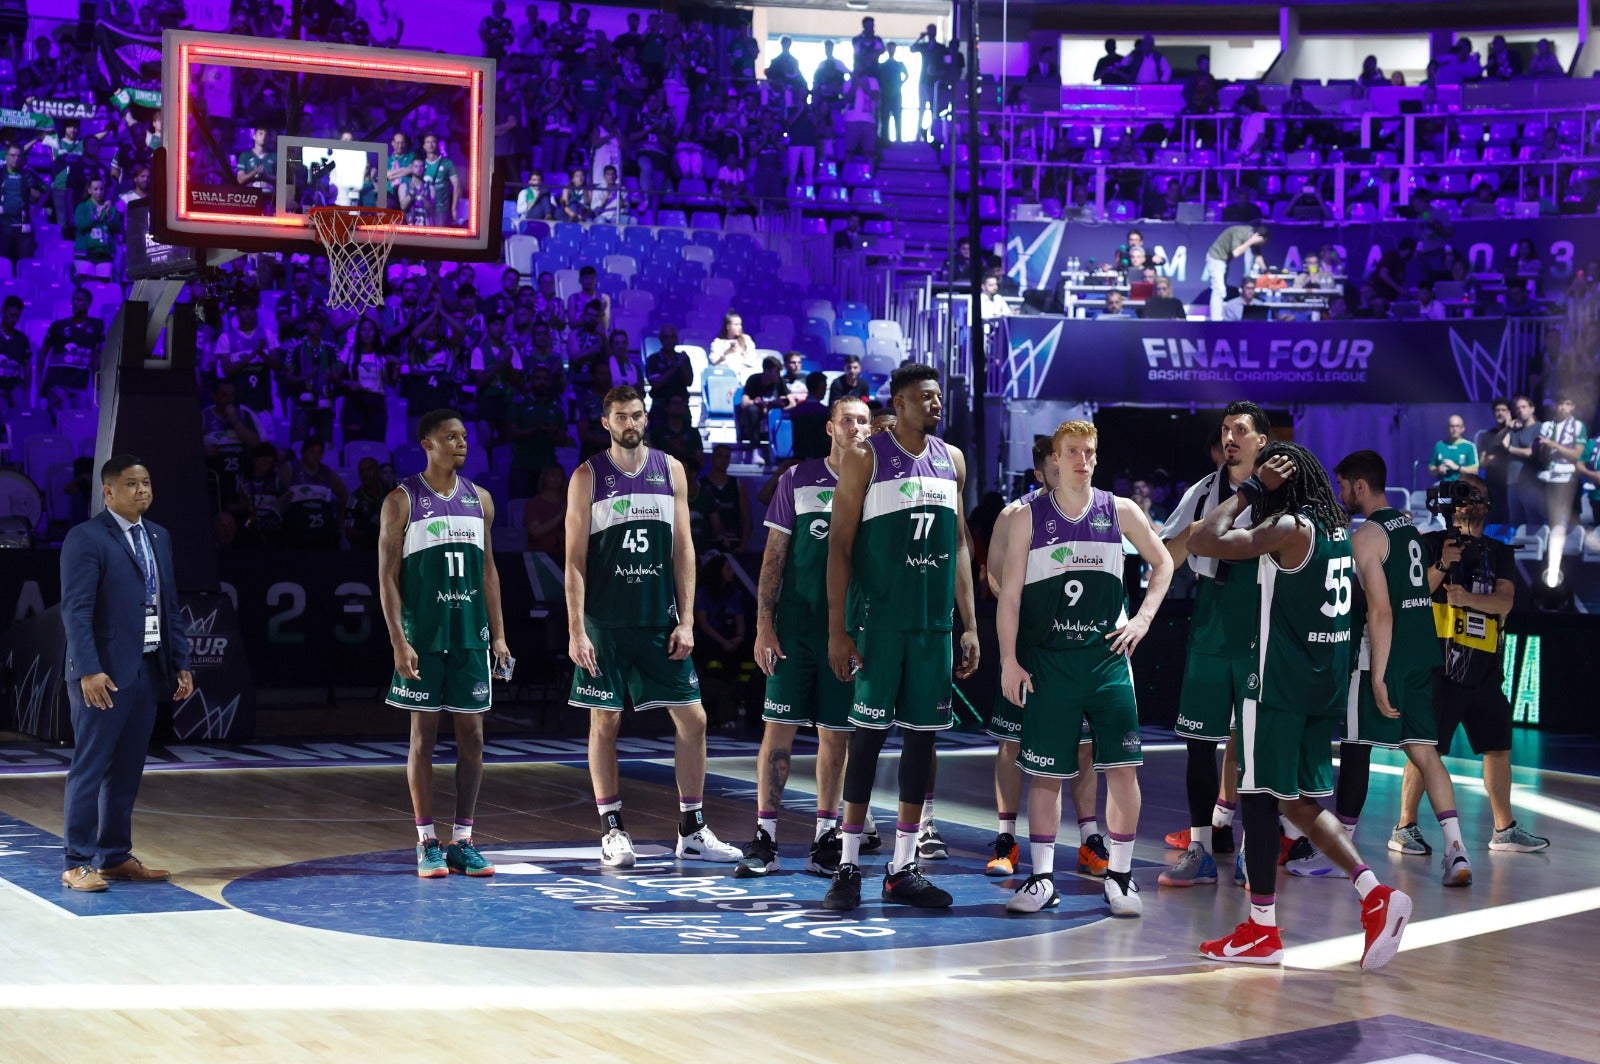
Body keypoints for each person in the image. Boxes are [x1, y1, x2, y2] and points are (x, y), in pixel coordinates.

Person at [1188, 442, 1412, 970]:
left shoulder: (1290, 528)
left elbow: (1203, 539)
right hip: (1321, 688)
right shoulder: (1338, 530)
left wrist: (1248, 489)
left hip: (1277, 687)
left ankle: (1261, 931)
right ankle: (1374, 894)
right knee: (1295, 803)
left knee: (1262, 800)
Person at [997, 421, 1173, 915]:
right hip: (1050, 662)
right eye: (1072, 451)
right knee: (1046, 775)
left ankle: (1120, 877)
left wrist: (1141, 619)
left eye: (1089, 451)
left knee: (1122, 769)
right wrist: (1009, 660)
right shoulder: (1028, 517)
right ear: (1054, 458)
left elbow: (1164, 564)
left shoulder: (1120, 510)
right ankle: (1043, 878)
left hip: (1107, 660)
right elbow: (1008, 596)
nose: (1081, 459)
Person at [822, 364, 980, 911]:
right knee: (865, 740)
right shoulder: (866, 457)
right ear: (901, 403)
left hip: (933, 627)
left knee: (922, 742)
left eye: (939, 397)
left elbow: (960, 545)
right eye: (925, 398)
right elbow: (839, 547)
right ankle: (845, 865)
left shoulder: (952, 460)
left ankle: (902, 866)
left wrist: (971, 624)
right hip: (879, 625)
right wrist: (838, 629)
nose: (936, 405)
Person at [564, 386, 742, 868]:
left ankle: (692, 827)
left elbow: (683, 548)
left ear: (647, 418)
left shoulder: (671, 470)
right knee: (606, 720)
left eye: (637, 415)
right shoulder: (587, 476)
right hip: (605, 623)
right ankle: (612, 828)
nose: (630, 423)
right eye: (621, 416)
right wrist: (576, 630)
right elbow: (574, 561)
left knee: (694, 718)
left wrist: (687, 619)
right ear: (606, 423)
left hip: (658, 620)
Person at [1291, 450, 1471, 886]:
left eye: (1342, 486)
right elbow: (1419, 592)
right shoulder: (1408, 528)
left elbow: (1382, 611)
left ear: (1358, 485)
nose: (1340, 494)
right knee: (1425, 752)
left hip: (1382, 657)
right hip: (1420, 655)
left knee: (1356, 749)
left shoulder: (1367, 536)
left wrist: (1376, 674)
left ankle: (1340, 853)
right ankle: (1457, 850)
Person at [735, 396, 873, 878]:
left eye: (864, 421)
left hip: (849, 633)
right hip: (795, 629)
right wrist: (763, 624)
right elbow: (774, 556)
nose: (856, 427)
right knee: (779, 734)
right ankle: (765, 838)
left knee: (836, 738)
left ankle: (824, 838)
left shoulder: (878, 486)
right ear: (831, 428)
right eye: (848, 420)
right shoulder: (798, 478)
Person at [378, 409, 512, 878]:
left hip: (470, 634)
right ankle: (426, 840)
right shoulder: (402, 500)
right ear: (426, 444)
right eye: (450, 437)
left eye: (464, 436)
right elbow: (387, 577)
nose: (461, 443)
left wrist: (498, 634)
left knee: (473, 736)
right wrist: (399, 639)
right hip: (424, 636)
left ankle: (463, 839)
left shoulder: (482, 500)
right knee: (423, 738)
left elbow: (489, 571)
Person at [1391, 473, 1551, 855]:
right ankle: (1404, 827)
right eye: (1460, 494)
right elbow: (1414, 594)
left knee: (1497, 747)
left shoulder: (1500, 552)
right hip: (1437, 667)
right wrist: (1444, 564)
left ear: (1487, 502)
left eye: (1474, 494)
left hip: (1483, 669)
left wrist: (1465, 599)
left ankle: (1504, 829)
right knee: (1427, 747)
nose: (1467, 501)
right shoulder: (1428, 544)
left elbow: (1505, 602)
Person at [58, 456, 194, 892]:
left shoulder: (159, 536)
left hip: (147, 668)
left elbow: (167, 605)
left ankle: (114, 855)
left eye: (147, 483)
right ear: (109, 492)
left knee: (129, 768)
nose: (142, 491)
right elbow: (75, 610)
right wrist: (89, 669)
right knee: (91, 767)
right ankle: (77, 861)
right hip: (103, 675)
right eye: (132, 484)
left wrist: (180, 662)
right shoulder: (86, 538)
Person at [982, 435, 1107, 883]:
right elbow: (997, 582)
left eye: (1081, 457)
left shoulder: (1101, 512)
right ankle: (1005, 837)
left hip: (1080, 651)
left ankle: (1091, 839)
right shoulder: (1017, 516)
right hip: (1033, 650)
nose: (1072, 470)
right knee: (1013, 744)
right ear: (1042, 470)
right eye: (1060, 465)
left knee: (1085, 746)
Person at [1156, 404, 1270, 887]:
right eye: (1225, 430)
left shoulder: (1281, 495)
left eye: (1240, 430)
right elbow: (1170, 551)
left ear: (1261, 441)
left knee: (1253, 747)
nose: (1230, 437)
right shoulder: (1203, 490)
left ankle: (1250, 851)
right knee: (1198, 742)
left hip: (1259, 617)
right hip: (1210, 620)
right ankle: (1201, 847)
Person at [1206, 224, 1266, 320]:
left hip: (1224, 261)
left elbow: (1257, 255)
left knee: (1221, 290)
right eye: (1261, 242)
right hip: (1216, 257)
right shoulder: (1241, 233)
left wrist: (1266, 270)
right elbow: (1236, 253)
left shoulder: (1253, 235)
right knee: (1219, 290)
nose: (1261, 244)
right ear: (1257, 236)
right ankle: (1216, 321)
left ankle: (1220, 317)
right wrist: (1251, 241)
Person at [738, 354, 796, 451]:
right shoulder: (753, 380)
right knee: (752, 411)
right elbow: (744, 402)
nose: (778, 375)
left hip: (773, 412)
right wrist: (757, 402)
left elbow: (792, 403)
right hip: (757, 412)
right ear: (766, 370)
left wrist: (781, 407)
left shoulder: (780, 381)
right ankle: (755, 448)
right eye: (776, 372)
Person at [1429, 415, 1479, 484]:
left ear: (1463, 428)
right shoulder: (1439, 445)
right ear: (1448, 428)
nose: (1454, 429)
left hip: (1463, 485)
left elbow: (1475, 471)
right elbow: (1431, 469)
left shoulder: (1469, 447)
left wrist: (1457, 467)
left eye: (1457, 426)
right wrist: (1438, 469)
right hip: (1442, 485)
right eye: (1452, 426)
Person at [708, 310, 757, 379]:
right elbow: (714, 363)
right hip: (724, 375)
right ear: (728, 326)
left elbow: (752, 360)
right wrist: (726, 353)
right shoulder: (718, 342)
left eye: (740, 324)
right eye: (736, 325)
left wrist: (741, 351)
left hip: (743, 374)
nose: (740, 327)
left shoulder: (746, 340)